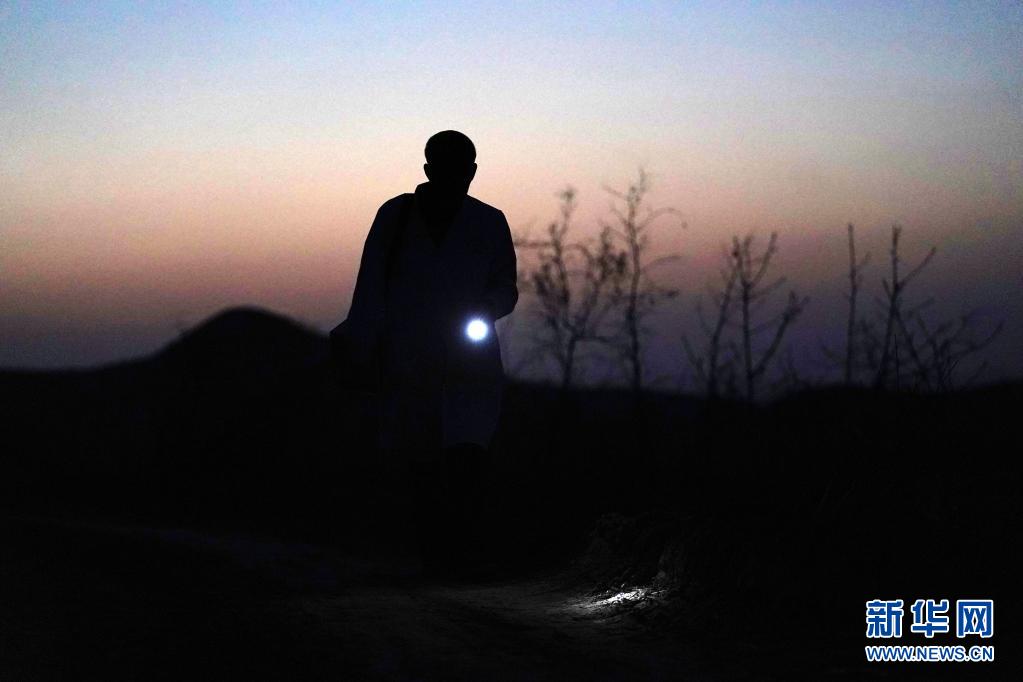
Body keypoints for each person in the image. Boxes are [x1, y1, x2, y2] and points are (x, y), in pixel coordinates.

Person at [345, 130, 518, 575]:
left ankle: (459, 557)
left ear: (472, 172)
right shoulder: (395, 216)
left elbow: (506, 287)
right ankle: (430, 559)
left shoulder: (489, 222)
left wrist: (486, 310)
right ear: (428, 170)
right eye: (445, 168)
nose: (453, 177)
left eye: (461, 169)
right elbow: (369, 289)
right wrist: (363, 349)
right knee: (418, 462)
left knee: (466, 456)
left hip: (470, 363)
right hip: (407, 361)